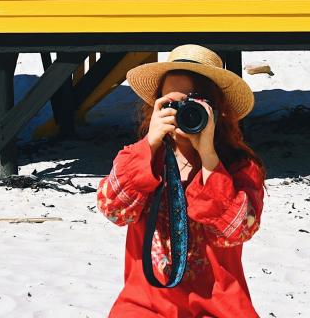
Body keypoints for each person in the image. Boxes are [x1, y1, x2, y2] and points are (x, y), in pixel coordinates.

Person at [97, 44, 266, 318]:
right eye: (170, 104)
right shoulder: (140, 159)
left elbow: (237, 231)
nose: (181, 113)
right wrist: (150, 143)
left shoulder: (240, 169)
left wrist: (208, 154)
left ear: (217, 110)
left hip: (218, 307)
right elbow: (113, 209)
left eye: (193, 104)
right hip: (146, 304)